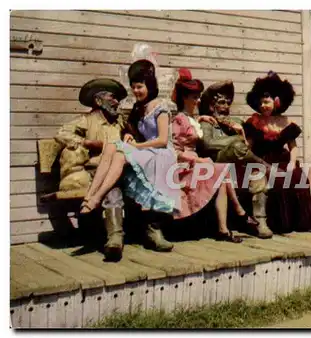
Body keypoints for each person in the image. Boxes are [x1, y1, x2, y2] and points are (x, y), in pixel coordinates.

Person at [78, 60, 181, 260]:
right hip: (146, 151)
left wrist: (134, 146)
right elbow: (133, 132)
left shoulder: (161, 107)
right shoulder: (138, 108)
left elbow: (161, 140)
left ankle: (95, 198)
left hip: (161, 154)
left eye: (140, 86)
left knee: (121, 153)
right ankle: (90, 197)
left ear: (149, 86)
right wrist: (129, 137)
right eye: (134, 87)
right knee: (111, 146)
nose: (136, 91)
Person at [170, 68, 260, 243]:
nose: (197, 101)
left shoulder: (193, 119)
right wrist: (197, 159)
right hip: (183, 166)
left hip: (197, 163)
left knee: (222, 173)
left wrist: (202, 118)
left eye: (198, 97)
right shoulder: (178, 120)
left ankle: (224, 229)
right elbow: (174, 152)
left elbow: (195, 126)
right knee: (222, 172)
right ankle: (238, 214)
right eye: (193, 97)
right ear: (184, 98)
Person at [55, 78, 130, 261]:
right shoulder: (87, 120)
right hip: (93, 170)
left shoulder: (120, 121)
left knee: (114, 185)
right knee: (113, 189)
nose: (116, 102)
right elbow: (62, 134)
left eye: (117, 99)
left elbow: (133, 136)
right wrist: (87, 143)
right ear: (98, 101)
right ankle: (115, 239)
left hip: (119, 169)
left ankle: (114, 238)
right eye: (112, 97)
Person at [243, 71, 311, 234]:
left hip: (282, 159)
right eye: (261, 102)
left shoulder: (285, 122)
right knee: (275, 180)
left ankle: (297, 222)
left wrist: (292, 163)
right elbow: (248, 145)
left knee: (297, 176)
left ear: (277, 101)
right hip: (262, 159)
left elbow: (293, 146)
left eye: (267, 102)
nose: (263, 106)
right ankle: (276, 223)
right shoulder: (255, 121)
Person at [198, 80, 273, 239]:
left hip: (238, 166)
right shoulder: (208, 122)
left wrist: (239, 133)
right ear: (212, 105)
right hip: (217, 164)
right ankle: (265, 165)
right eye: (221, 102)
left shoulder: (237, 123)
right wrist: (234, 141)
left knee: (257, 174)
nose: (226, 106)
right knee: (238, 147)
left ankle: (260, 222)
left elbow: (246, 147)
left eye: (228, 102)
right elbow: (207, 144)